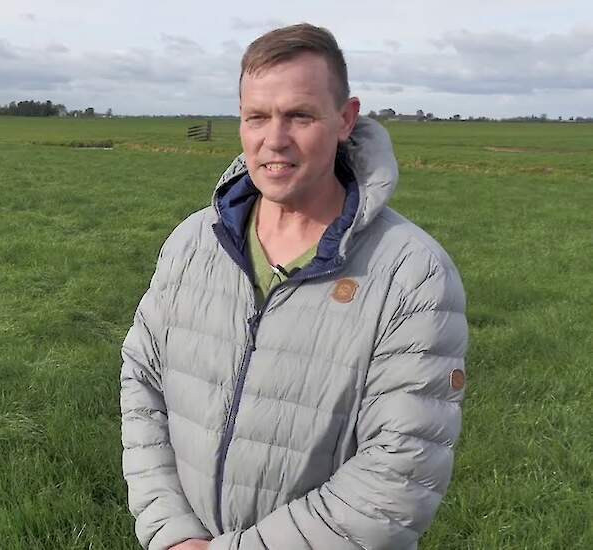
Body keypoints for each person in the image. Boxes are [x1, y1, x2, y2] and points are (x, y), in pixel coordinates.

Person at [120, 23, 468, 550]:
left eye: (299, 116)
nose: (273, 139)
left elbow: (399, 470)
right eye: (256, 116)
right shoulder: (194, 243)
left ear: (345, 119)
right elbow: (142, 385)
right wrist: (172, 533)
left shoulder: (412, 273)